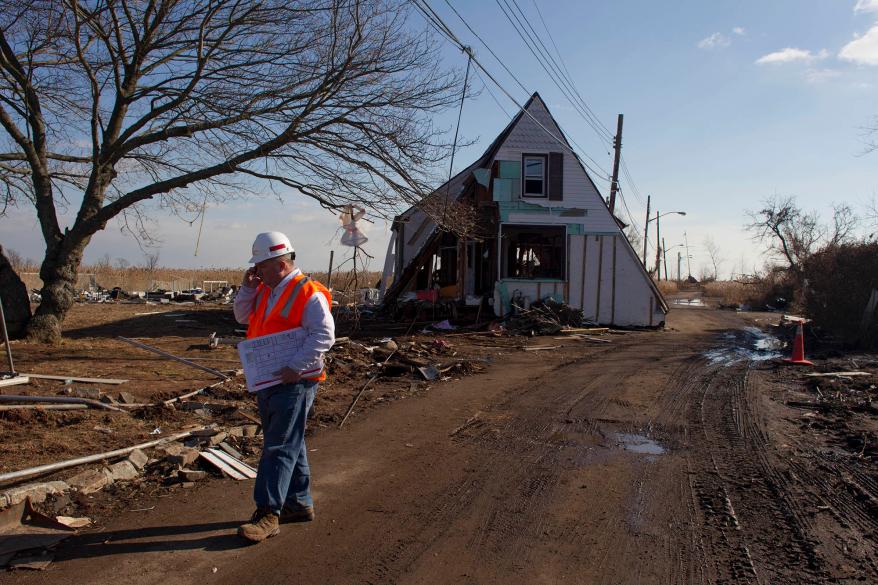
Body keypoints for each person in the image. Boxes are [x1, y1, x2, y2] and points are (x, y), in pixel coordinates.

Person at [233, 231, 334, 543]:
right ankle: (298, 503)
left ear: (279, 263)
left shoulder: (308, 293)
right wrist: (247, 289)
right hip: (268, 378)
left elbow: (324, 335)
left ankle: (268, 513)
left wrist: (296, 367)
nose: (256, 272)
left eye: (260, 266)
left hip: (295, 380)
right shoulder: (265, 289)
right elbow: (240, 316)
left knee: (278, 445)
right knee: (290, 440)